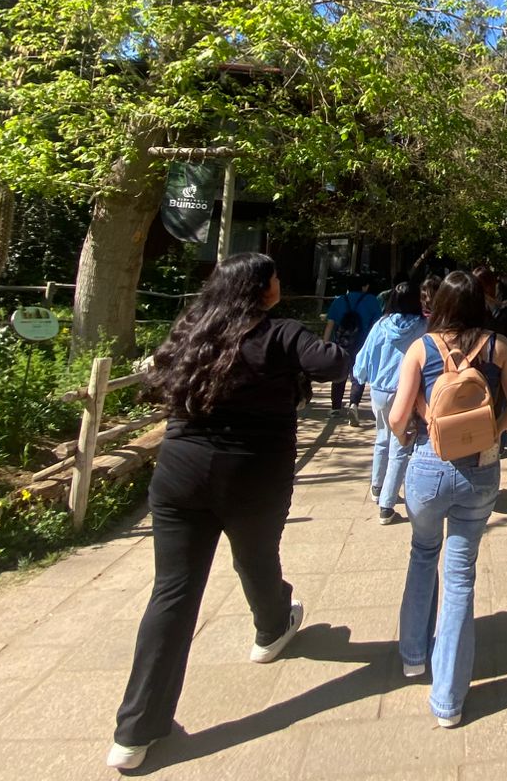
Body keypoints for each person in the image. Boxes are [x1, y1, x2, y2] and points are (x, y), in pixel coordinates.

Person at [107, 253, 347, 772]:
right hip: (253, 473)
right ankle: (271, 627)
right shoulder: (280, 333)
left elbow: (157, 378)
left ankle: (134, 731)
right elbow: (332, 363)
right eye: (275, 277)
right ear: (262, 289)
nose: (279, 283)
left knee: (172, 592)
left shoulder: (193, 328)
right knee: (256, 557)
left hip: (180, 473)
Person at [389, 270, 507, 727]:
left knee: (422, 554)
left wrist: (416, 435)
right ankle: (448, 700)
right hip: (480, 470)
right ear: (479, 305)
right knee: (461, 575)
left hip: (429, 467)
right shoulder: (498, 347)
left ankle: (413, 656)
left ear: (440, 304)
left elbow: (396, 417)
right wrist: (491, 432)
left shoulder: (420, 348)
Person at [355, 278, 428, 525]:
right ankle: (386, 505)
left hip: (378, 390)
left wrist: (360, 377)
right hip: (404, 391)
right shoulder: (423, 327)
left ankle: (377, 486)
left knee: (382, 437)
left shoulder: (381, 324)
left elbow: (364, 356)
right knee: (401, 445)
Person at [322, 274, 381, 411]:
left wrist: (324, 345)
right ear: (364, 286)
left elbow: (330, 325)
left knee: (339, 373)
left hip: (341, 342)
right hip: (363, 343)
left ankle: (335, 408)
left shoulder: (339, 301)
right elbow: (377, 324)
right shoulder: (372, 301)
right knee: (358, 374)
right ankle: (354, 404)